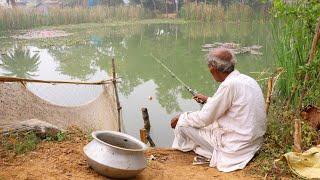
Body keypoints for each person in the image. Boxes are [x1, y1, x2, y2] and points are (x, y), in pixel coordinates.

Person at [170, 48, 266, 172]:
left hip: (236, 148)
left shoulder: (228, 85)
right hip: (253, 143)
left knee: (182, 125)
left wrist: (181, 117)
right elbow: (233, 106)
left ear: (212, 69)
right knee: (202, 123)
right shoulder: (247, 80)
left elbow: (203, 119)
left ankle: (193, 152)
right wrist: (208, 100)